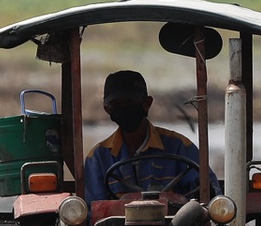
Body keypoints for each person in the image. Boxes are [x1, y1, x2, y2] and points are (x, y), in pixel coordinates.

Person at [82, 69, 215, 203]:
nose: (124, 109)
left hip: (176, 217)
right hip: (117, 218)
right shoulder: (98, 157)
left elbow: (211, 194)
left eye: (129, 102)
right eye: (116, 104)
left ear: (147, 103)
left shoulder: (180, 147)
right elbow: (93, 207)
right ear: (108, 109)